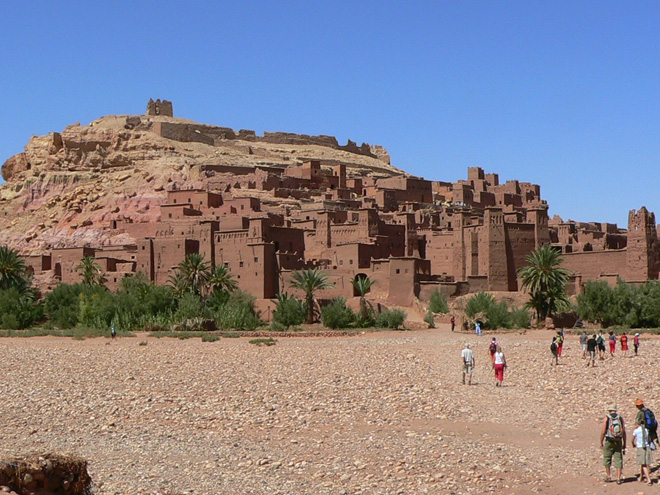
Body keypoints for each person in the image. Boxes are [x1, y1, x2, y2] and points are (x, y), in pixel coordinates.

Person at [600, 404, 626, 484]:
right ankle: (618, 478)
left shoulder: (607, 418)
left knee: (607, 457)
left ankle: (609, 476)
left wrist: (601, 442)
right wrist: (624, 443)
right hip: (618, 440)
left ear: (609, 410)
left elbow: (603, 431)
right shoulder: (620, 418)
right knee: (618, 459)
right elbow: (624, 432)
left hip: (609, 440)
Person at [631, 417, 653, 485]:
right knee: (644, 462)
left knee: (643, 464)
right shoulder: (646, 430)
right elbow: (649, 439)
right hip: (647, 447)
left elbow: (632, 440)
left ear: (638, 423)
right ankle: (641, 477)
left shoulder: (636, 431)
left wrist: (633, 444)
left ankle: (649, 479)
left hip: (641, 447)